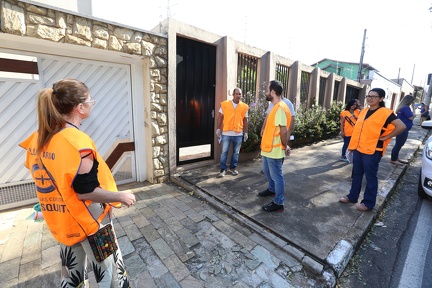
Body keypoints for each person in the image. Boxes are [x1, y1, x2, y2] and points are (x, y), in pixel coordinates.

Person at [19, 78, 136, 287]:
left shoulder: (37, 138)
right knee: (111, 276)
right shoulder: (77, 142)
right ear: (80, 108)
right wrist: (120, 196)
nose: (92, 104)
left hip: (61, 221)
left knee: (71, 276)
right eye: (91, 100)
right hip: (91, 223)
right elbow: (85, 191)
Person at [339, 88, 406, 211]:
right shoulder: (364, 111)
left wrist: (386, 137)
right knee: (356, 174)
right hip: (359, 148)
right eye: (368, 96)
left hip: (373, 150)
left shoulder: (386, 113)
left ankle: (368, 203)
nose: (370, 98)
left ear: (381, 99)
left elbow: (401, 126)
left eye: (373, 96)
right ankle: (352, 196)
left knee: (370, 177)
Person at [258, 80, 291, 212]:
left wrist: (285, 146)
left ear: (273, 92)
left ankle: (279, 203)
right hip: (267, 149)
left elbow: (283, 131)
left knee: (277, 177)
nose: (265, 93)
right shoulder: (275, 107)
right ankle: (271, 190)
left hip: (275, 150)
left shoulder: (280, 108)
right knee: (266, 171)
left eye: (267, 90)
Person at [216, 88, 249, 177]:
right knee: (224, 152)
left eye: (240, 94)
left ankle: (233, 168)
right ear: (233, 95)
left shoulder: (244, 106)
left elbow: (245, 120)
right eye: (237, 94)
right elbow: (220, 117)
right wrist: (218, 129)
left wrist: (246, 132)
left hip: (238, 134)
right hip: (226, 133)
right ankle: (223, 169)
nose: (238, 96)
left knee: (236, 152)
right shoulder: (225, 104)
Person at [390, 95, 416, 165]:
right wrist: (414, 109)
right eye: (412, 101)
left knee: (399, 144)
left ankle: (395, 158)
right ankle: (393, 159)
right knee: (399, 144)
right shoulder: (406, 108)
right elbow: (411, 117)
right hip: (403, 129)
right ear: (410, 101)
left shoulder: (402, 107)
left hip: (401, 128)